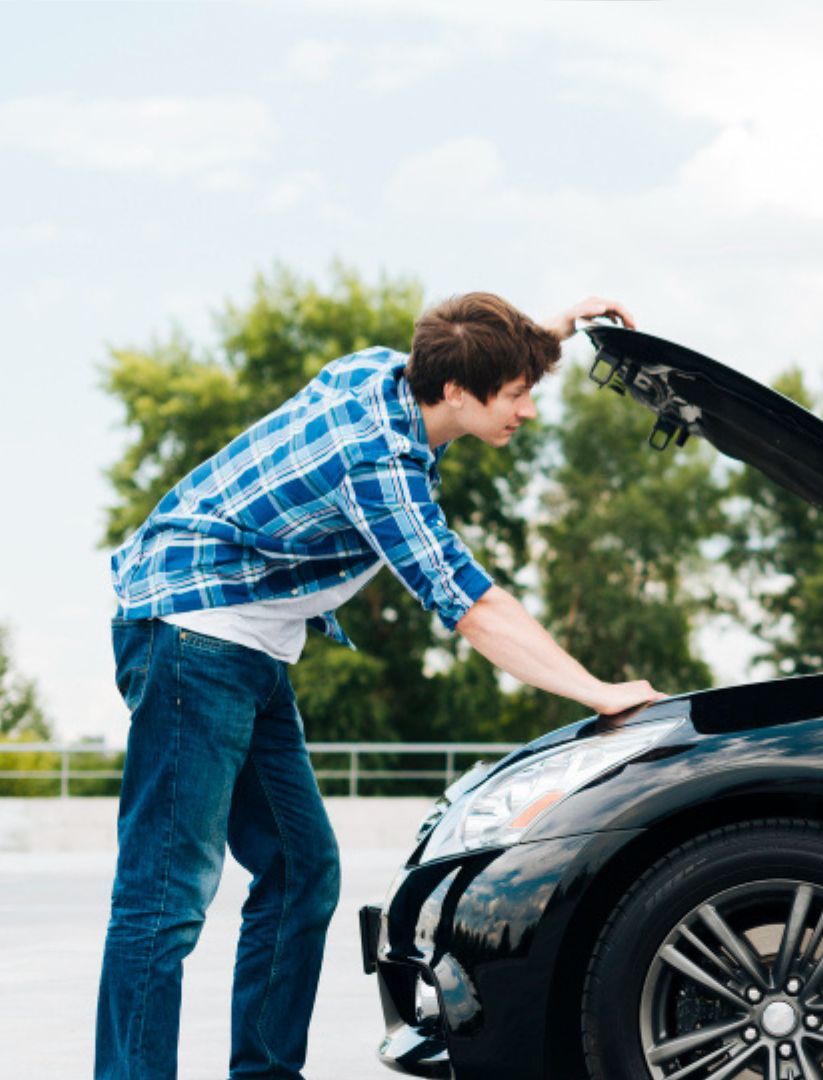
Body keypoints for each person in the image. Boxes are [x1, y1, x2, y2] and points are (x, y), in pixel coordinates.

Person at [97, 292, 665, 1080]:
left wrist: (546, 333)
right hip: (189, 633)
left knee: (301, 873)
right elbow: (472, 606)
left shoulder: (386, 372)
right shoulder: (378, 466)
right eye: (517, 394)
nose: (528, 412)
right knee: (164, 896)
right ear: (459, 393)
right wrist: (594, 689)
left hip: (246, 646)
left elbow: (470, 348)